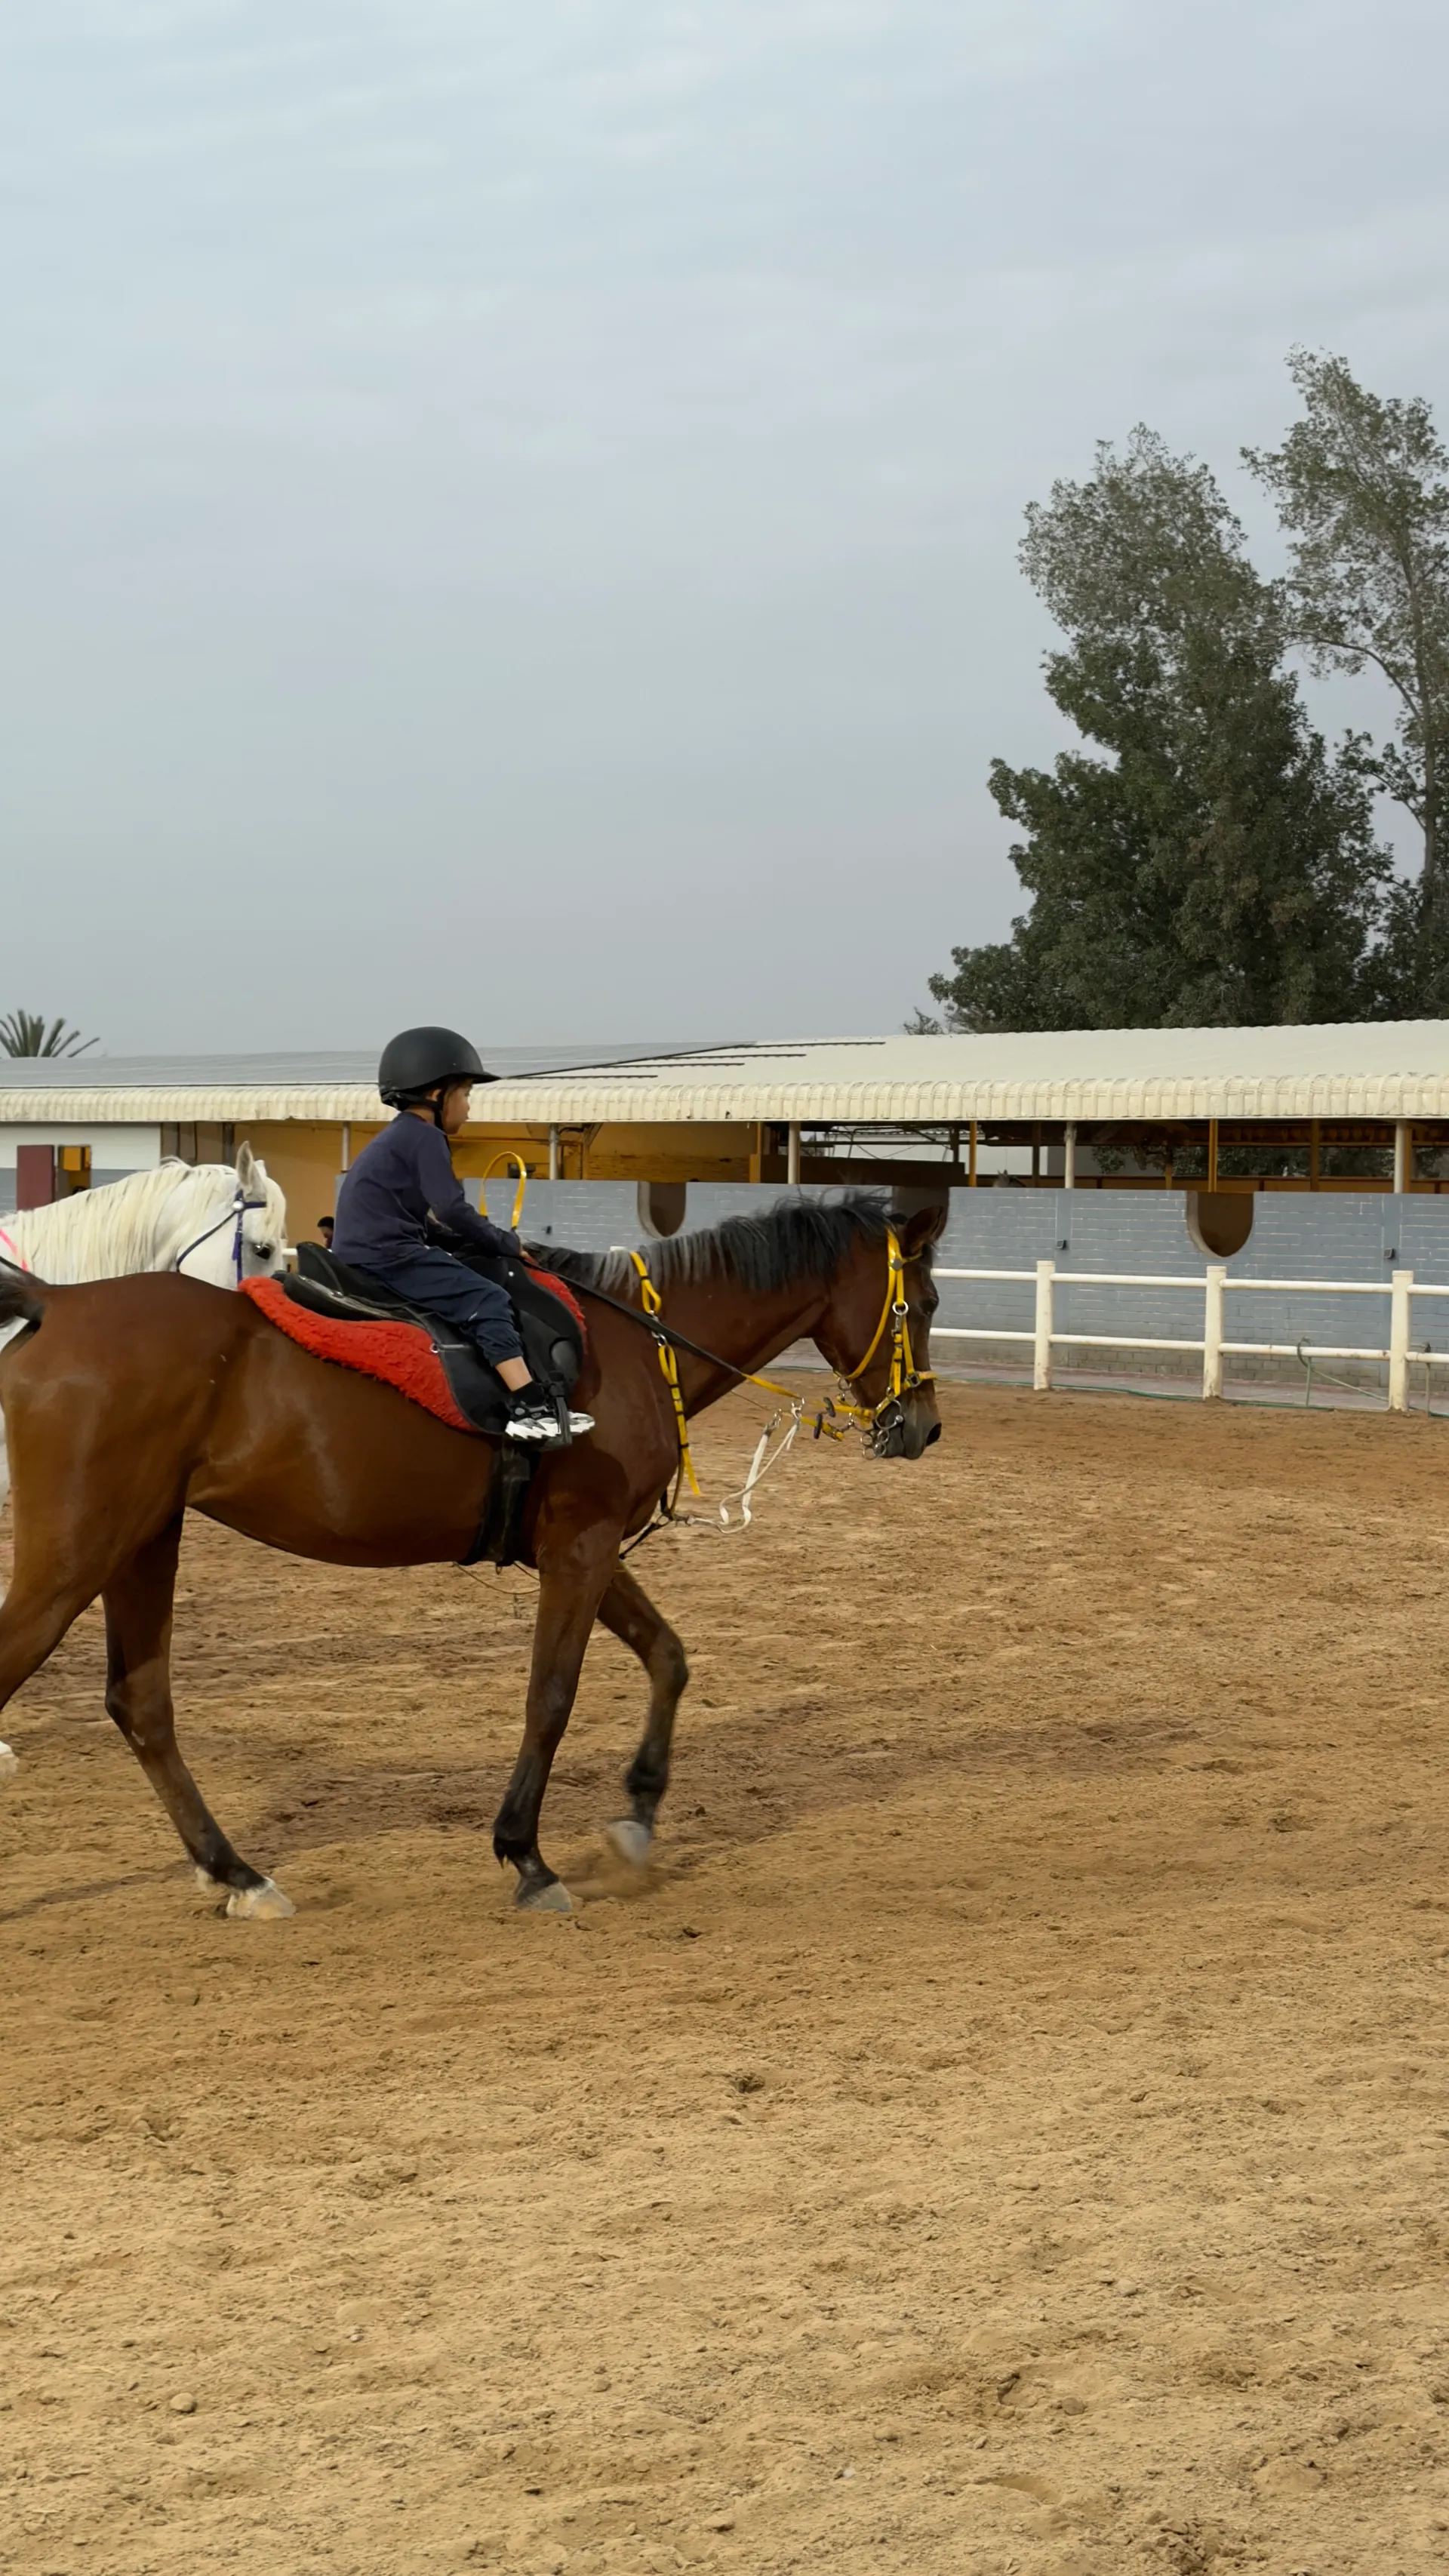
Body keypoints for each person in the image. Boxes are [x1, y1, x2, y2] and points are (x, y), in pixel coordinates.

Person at [332, 1027, 593, 1445]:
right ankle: (529, 1407)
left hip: (374, 1249)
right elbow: (453, 1208)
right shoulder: (425, 1137)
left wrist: (461, 1242)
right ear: (437, 1094)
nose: (469, 1109)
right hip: (389, 1256)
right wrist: (506, 1243)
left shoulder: (400, 1137)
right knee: (487, 1299)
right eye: (467, 1094)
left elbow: (423, 1220)